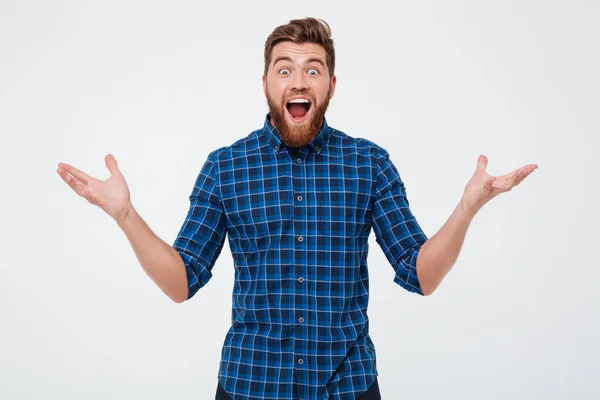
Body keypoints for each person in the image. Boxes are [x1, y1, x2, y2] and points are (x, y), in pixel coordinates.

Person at [56, 17, 538, 400]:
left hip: (348, 388)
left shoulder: (369, 164)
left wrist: (468, 207)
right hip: (250, 387)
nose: (298, 79)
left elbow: (420, 274)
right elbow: (182, 282)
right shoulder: (225, 167)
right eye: (284, 68)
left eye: (313, 68)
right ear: (266, 82)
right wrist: (124, 214)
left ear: (331, 83)